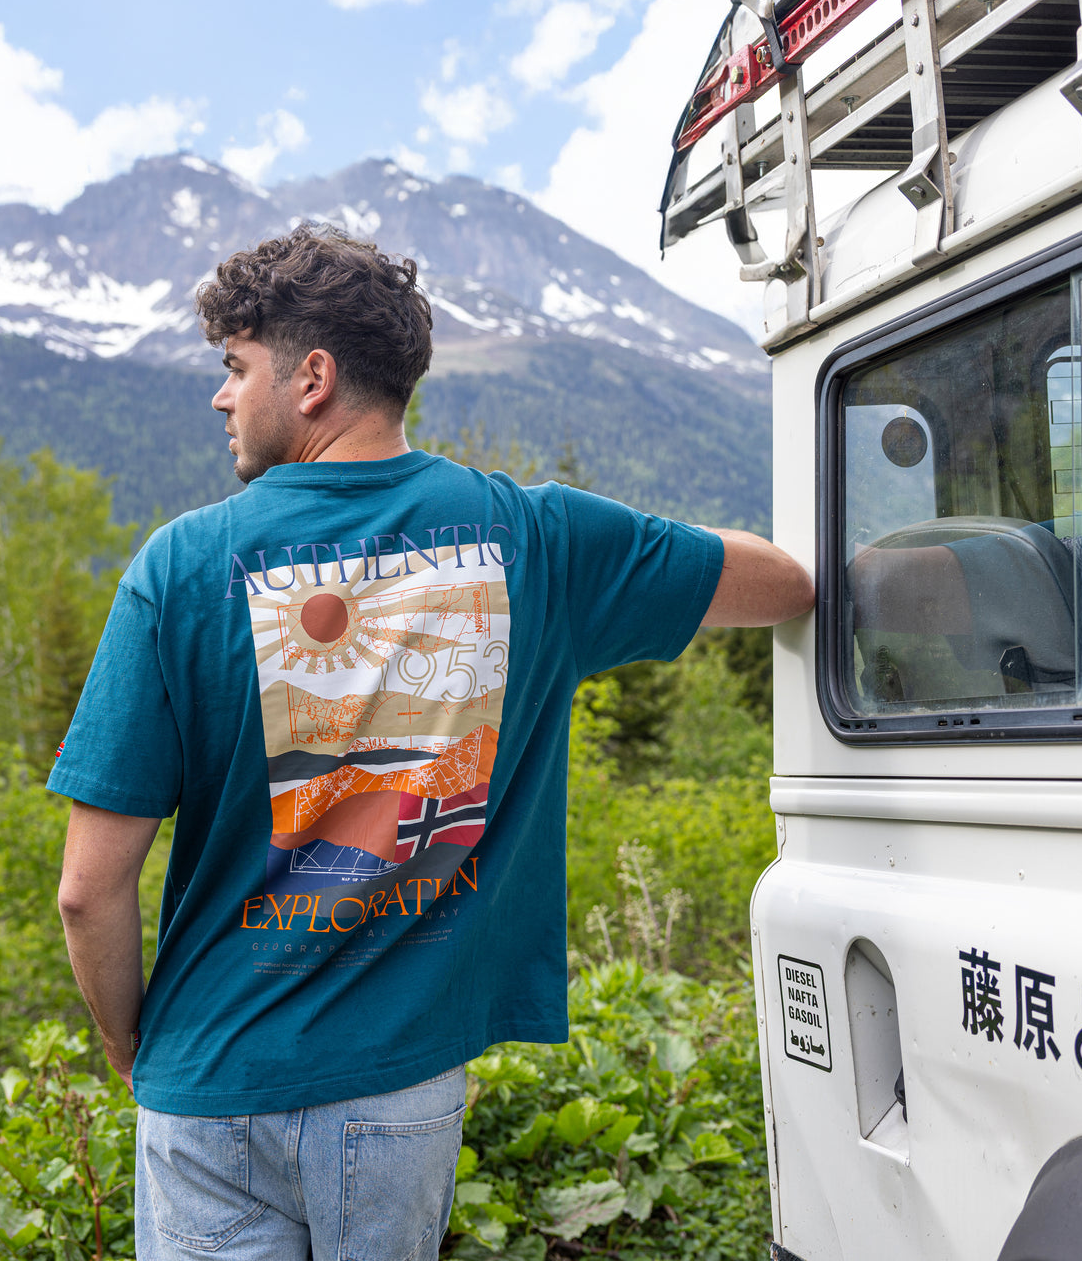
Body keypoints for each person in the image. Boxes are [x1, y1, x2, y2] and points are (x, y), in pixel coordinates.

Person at [49, 223, 813, 1261]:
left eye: (236, 367)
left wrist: (129, 1043)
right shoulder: (539, 539)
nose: (221, 397)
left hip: (211, 1075)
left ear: (312, 377)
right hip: (397, 1085)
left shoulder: (180, 565)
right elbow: (783, 584)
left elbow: (88, 890)